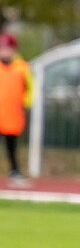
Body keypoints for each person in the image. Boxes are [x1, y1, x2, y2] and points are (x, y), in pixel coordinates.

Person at [0, 31, 33, 184]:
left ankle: (14, 171)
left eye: (7, 48)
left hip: (12, 113)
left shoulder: (22, 67)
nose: (5, 52)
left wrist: (26, 104)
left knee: (11, 146)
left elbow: (30, 88)